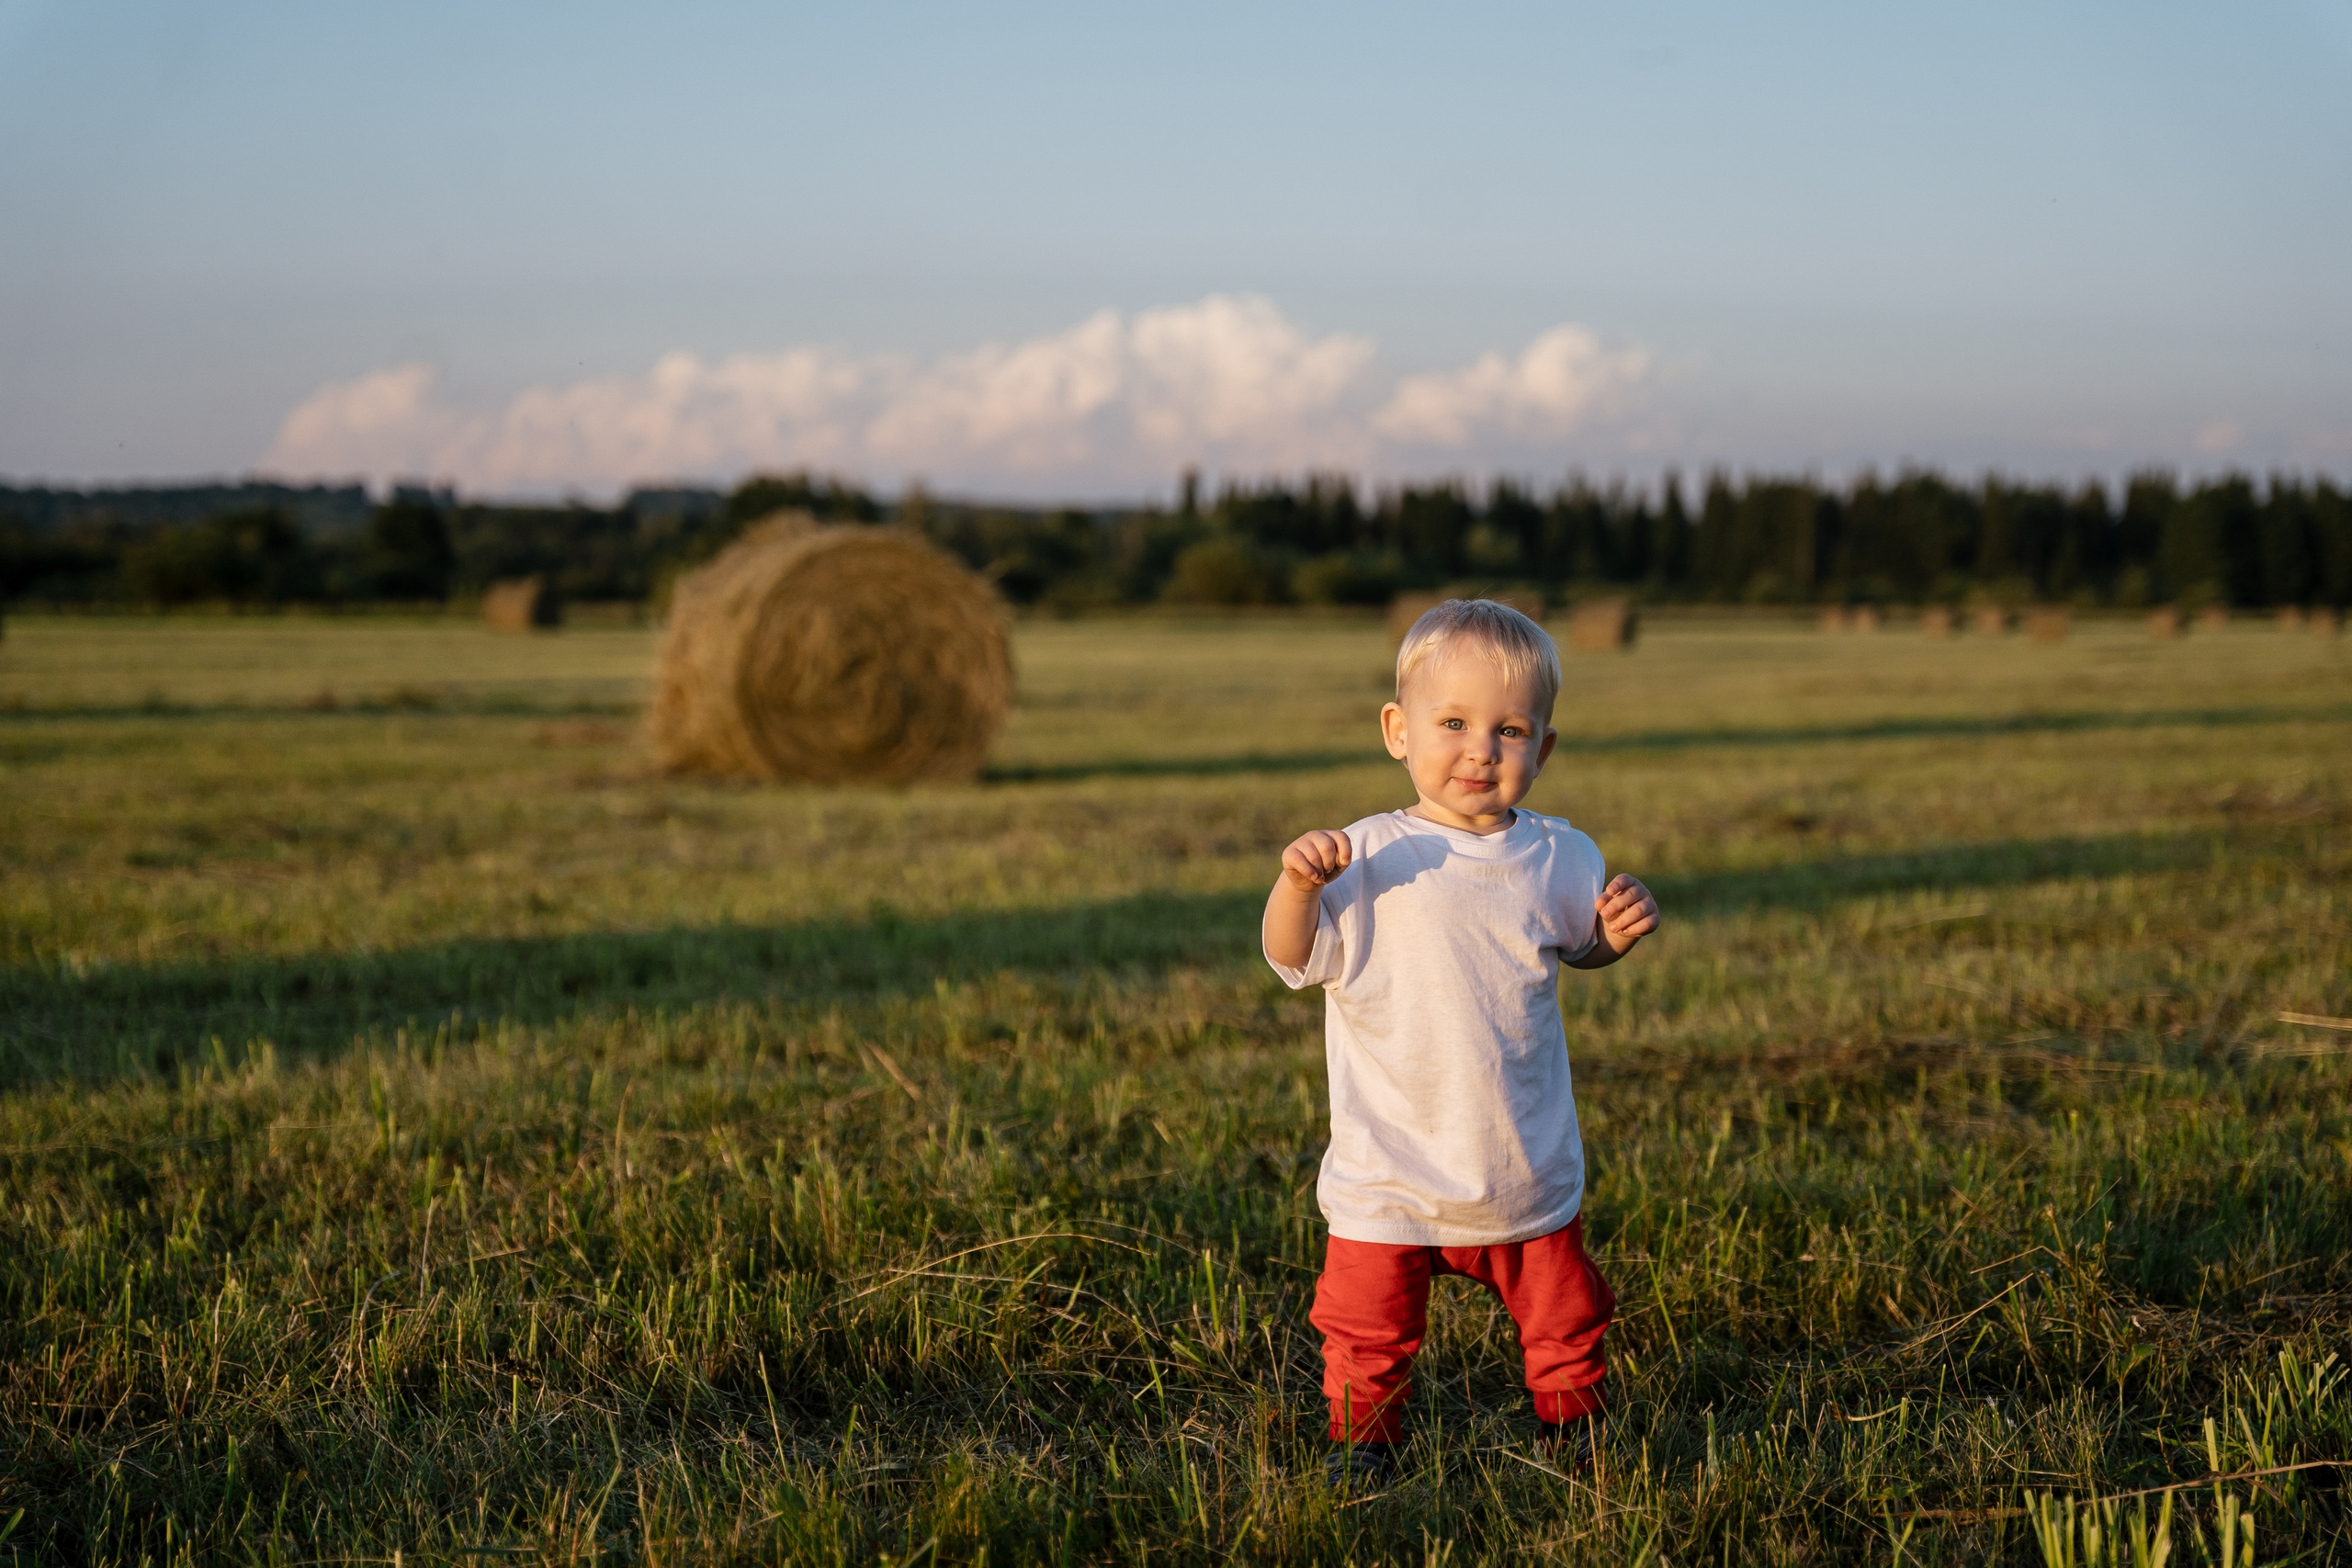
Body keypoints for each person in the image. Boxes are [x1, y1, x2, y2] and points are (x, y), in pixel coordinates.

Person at [1262, 597, 1660, 1487]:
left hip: (1517, 1159)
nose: (1481, 748)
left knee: (1563, 1313)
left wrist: (1614, 937)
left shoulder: (1563, 858)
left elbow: (1577, 947)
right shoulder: (1364, 855)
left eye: (1509, 729)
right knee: (1365, 1326)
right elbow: (1293, 958)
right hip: (1388, 1169)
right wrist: (1294, 885)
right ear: (1398, 731)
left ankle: (1573, 1430)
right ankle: (1364, 1447)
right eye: (1453, 723)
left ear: (1543, 749)